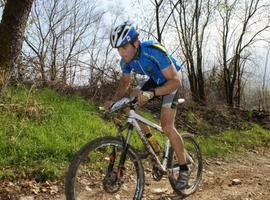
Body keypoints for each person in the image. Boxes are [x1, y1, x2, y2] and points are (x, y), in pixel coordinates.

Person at [104, 21, 189, 190]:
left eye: (124, 47)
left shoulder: (153, 51)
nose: (121, 53)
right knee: (129, 104)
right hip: (155, 81)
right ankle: (152, 144)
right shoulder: (126, 61)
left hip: (170, 81)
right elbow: (124, 83)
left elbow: (175, 81)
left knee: (166, 126)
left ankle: (184, 169)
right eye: (118, 49)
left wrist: (152, 93)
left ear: (135, 43)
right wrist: (113, 101)